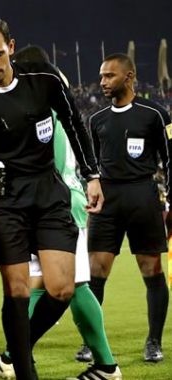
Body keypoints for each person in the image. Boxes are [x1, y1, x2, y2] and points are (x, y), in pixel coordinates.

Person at [0, 18, 103, 380]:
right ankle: (25, 373)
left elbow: (73, 123)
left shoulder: (44, 79)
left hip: (48, 192)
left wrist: (92, 175)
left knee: (61, 289)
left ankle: (18, 352)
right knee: (18, 291)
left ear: (10, 46)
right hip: (3, 198)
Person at [0, 45, 122, 380]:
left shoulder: (42, 110)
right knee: (41, 283)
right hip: (62, 201)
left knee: (72, 284)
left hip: (54, 206)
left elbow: (44, 167)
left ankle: (106, 365)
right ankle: (15, 355)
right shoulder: (56, 102)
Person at [88, 53, 171, 363]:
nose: (103, 82)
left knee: (151, 269)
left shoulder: (155, 114)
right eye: (101, 76)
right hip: (107, 199)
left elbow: (170, 159)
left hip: (143, 196)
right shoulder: (96, 120)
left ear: (129, 76)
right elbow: (92, 165)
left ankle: (153, 341)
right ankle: (92, 341)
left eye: (109, 76)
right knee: (96, 272)